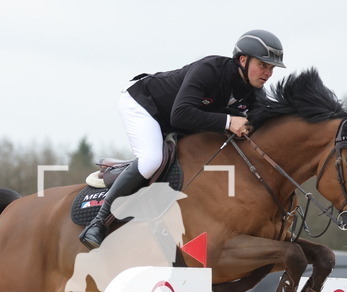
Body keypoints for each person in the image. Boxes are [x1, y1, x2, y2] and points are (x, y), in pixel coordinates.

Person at [79, 29, 286, 249]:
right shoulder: (210, 70)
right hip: (145, 105)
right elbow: (180, 115)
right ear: (243, 60)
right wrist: (228, 122)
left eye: (271, 68)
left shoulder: (254, 93)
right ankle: (99, 221)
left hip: (178, 120)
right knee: (151, 160)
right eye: (263, 65)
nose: (268, 72)